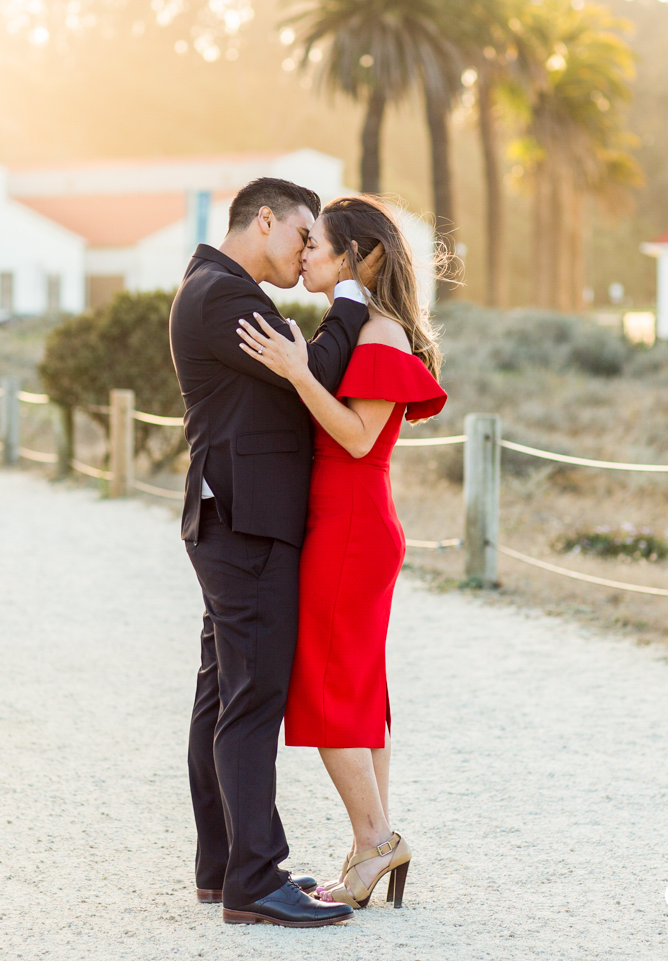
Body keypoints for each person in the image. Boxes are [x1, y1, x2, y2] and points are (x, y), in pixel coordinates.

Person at [168, 178, 383, 928]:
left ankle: (223, 866)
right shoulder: (224, 296)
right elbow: (315, 372)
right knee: (251, 700)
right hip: (248, 524)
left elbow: (294, 373)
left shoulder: (217, 287)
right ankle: (255, 880)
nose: (306, 251)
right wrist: (351, 297)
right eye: (302, 235)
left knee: (224, 696)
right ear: (265, 220)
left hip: (231, 519)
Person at [236, 195, 446, 910]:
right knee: (354, 690)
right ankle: (370, 845)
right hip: (345, 524)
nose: (304, 257)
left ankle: (377, 841)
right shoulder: (356, 326)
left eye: (316, 246)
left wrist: (297, 372)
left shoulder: (381, 333)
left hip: (353, 527)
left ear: (361, 256)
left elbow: (357, 439)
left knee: (328, 691)